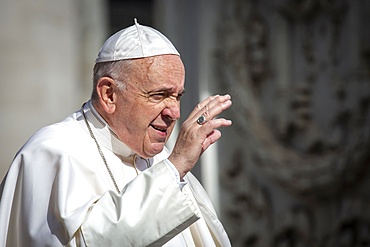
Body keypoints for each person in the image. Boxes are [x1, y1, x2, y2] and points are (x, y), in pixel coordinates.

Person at [0, 19, 232, 246]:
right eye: (159, 95)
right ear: (109, 94)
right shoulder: (51, 153)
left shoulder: (163, 160)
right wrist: (176, 165)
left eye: (178, 96)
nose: (174, 112)